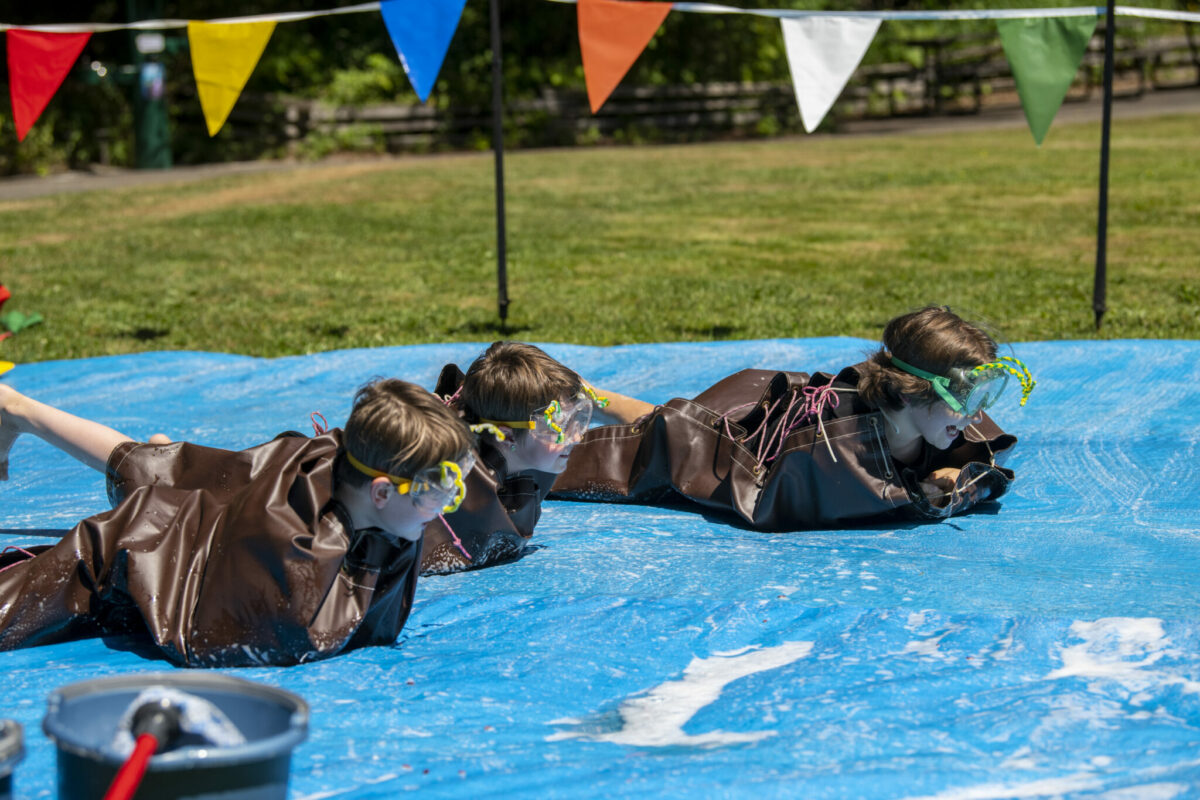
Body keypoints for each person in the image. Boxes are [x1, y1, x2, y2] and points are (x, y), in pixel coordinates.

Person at [0, 378, 473, 667]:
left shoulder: (360, 485)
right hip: (135, 543)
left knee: (156, 463)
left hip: (221, 507)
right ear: (382, 492)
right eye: (439, 487)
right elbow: (300, 635)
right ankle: (17, 409)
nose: (450, 503)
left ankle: (20, 410)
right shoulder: (297, 561)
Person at [550, 306, 1034, 530]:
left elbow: (984, 460)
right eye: (965, 399)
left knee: (668, 418)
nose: (975, 414)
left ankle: (597, 394)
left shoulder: (940, 418)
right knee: (659, 433)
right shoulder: (834, 454)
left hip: (786, 407)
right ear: (906, 395)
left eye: (983, 396)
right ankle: (586, 395)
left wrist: (958, 473)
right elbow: (772, 503)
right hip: (751, 445)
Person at [420, 341, 647, 574]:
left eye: (580, 417)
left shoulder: (538, 442)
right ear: (507, 436)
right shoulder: (444, 488)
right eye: (560, 426)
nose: (576, 436)